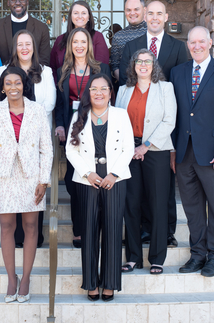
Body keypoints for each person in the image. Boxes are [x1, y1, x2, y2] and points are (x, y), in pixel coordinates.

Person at [170, 26, 214, 277]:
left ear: (210, 43)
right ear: (187, 45)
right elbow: (175, 116)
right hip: (184, 153)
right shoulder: (177, 73)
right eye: (192, 42)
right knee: (192, 209)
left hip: (213, 154)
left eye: (201, 41)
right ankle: (197, 254)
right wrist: (172, 151)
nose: (197, 46)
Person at [119, 0, 188, 248]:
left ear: (166, 17)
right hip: (135, 130)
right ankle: (142, 231)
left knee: (163, 188)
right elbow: (124, 85)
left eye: (160, 14)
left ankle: (166, 231)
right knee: (137, 191)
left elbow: (181, 93)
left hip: (164, 132)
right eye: (151, 13)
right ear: (144, 16)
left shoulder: (178, 48)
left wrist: (172, 139)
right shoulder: (131, 47)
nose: (155, 17)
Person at [0, 67, 53, 303]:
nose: (13, 87)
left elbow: (47, 148)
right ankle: (11, 278)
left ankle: (26, 279)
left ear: (25, 85)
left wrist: (44, 180)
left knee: (31, 226)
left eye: (18, 83)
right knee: (6, 226)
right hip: (3, 175)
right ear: (2, 87)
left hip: (31, 175)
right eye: (8, 83)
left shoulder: (37, 110)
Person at [66, 74, 134, 302]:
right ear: (88, 92)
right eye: (94, 89)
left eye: (103, 89)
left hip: (115, 179)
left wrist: (114, 174)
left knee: (113, 232)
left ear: (110, 92)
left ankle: (110, 284)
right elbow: (70, 150)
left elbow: (128, 148)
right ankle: (91, 284)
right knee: (89, 233)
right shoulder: (79, 115)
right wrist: (88, 173)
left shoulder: (120, 115)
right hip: (88, 180)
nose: (98, 93)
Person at [116, 49, 177, 275]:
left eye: (147, 61)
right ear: (133, 65)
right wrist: (130, 147)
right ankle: (133, 257)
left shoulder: (165, 88)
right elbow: (118, 122)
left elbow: (169, 121)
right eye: (139, 61)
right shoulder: (123, 90)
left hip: (157, 151)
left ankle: (157, 257)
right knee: (131, 204)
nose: (143, 65)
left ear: (154, 65)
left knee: (157, 204)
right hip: (129, 152)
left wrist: (146, 145)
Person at [0, 29, 56, 249]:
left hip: (34, 140)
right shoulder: (4, 70)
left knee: (33, 190)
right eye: (20, 44)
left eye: (28, 44)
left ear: (34, 47)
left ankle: (33, 237)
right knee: (12, 192)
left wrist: (30, 114)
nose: (24, 48)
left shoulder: (46, 72)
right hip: (10, 142)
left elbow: (49, 103)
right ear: (15, 47)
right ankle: (17, 239)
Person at [55, 27, 111, 248]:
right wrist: (59, 124)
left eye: (83, 41)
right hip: (72, 130)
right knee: (73, 180)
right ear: (70, 45)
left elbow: (108, 99)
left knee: (95, 178)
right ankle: (79, 230)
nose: (79, 45)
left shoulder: (101, 68)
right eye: (75, 42)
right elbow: (60, 103)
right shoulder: (62, 70)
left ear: (89, 44)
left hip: (96, 129)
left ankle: (96, 227)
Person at [0, 0, 50, 66]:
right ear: (8, 3)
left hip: (33, 76)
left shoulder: (41, 28)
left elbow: (44, 61)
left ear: (27, 2)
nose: (17, 2)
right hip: (4, 76)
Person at [50, 0, 109, 80]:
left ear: (89, 17)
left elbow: (102, 67)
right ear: (71, 16)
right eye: (76, 13)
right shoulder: (60, 40)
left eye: (84, 13)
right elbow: (53, 68)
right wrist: (59, 86)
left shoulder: (97, 37)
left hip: (91, 88)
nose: (80, 16)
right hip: (64, 89)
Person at [109, 0, 147, 82]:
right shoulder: (118, 37)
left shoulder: (152, 33)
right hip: (127, 87)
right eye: (128, 10)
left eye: (136, 9)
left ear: (144, 10)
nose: (132, 13)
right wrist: (127, 87)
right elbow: (115, 66)